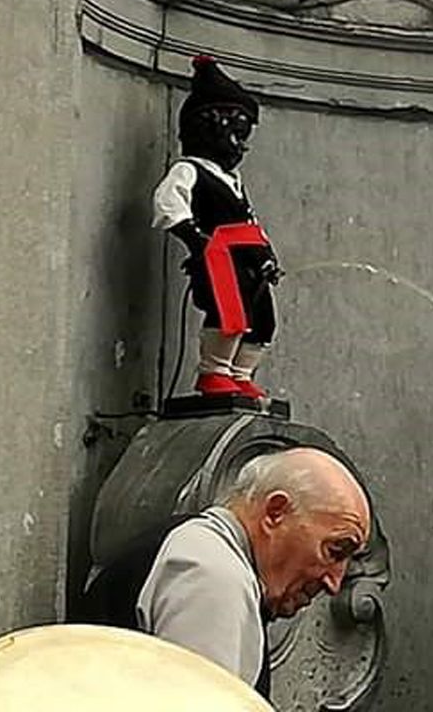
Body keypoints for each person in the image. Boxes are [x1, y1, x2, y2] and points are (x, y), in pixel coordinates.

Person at [79, 448, 371, 699]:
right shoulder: (213, 574)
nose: (334, 582)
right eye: (335, 550)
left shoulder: (204, 553)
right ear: (275, 513)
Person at [152, 55, 282, 399]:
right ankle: (215, 371)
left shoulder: (233, 179)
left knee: (263, 318)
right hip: (217, 255)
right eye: (235, 135)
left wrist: (265, 255)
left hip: (246, 258)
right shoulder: (190, 170)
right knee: (230, 312)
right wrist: (195, 238)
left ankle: (241, 373)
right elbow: (169, 202)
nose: (240, 145)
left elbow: (248, 220)